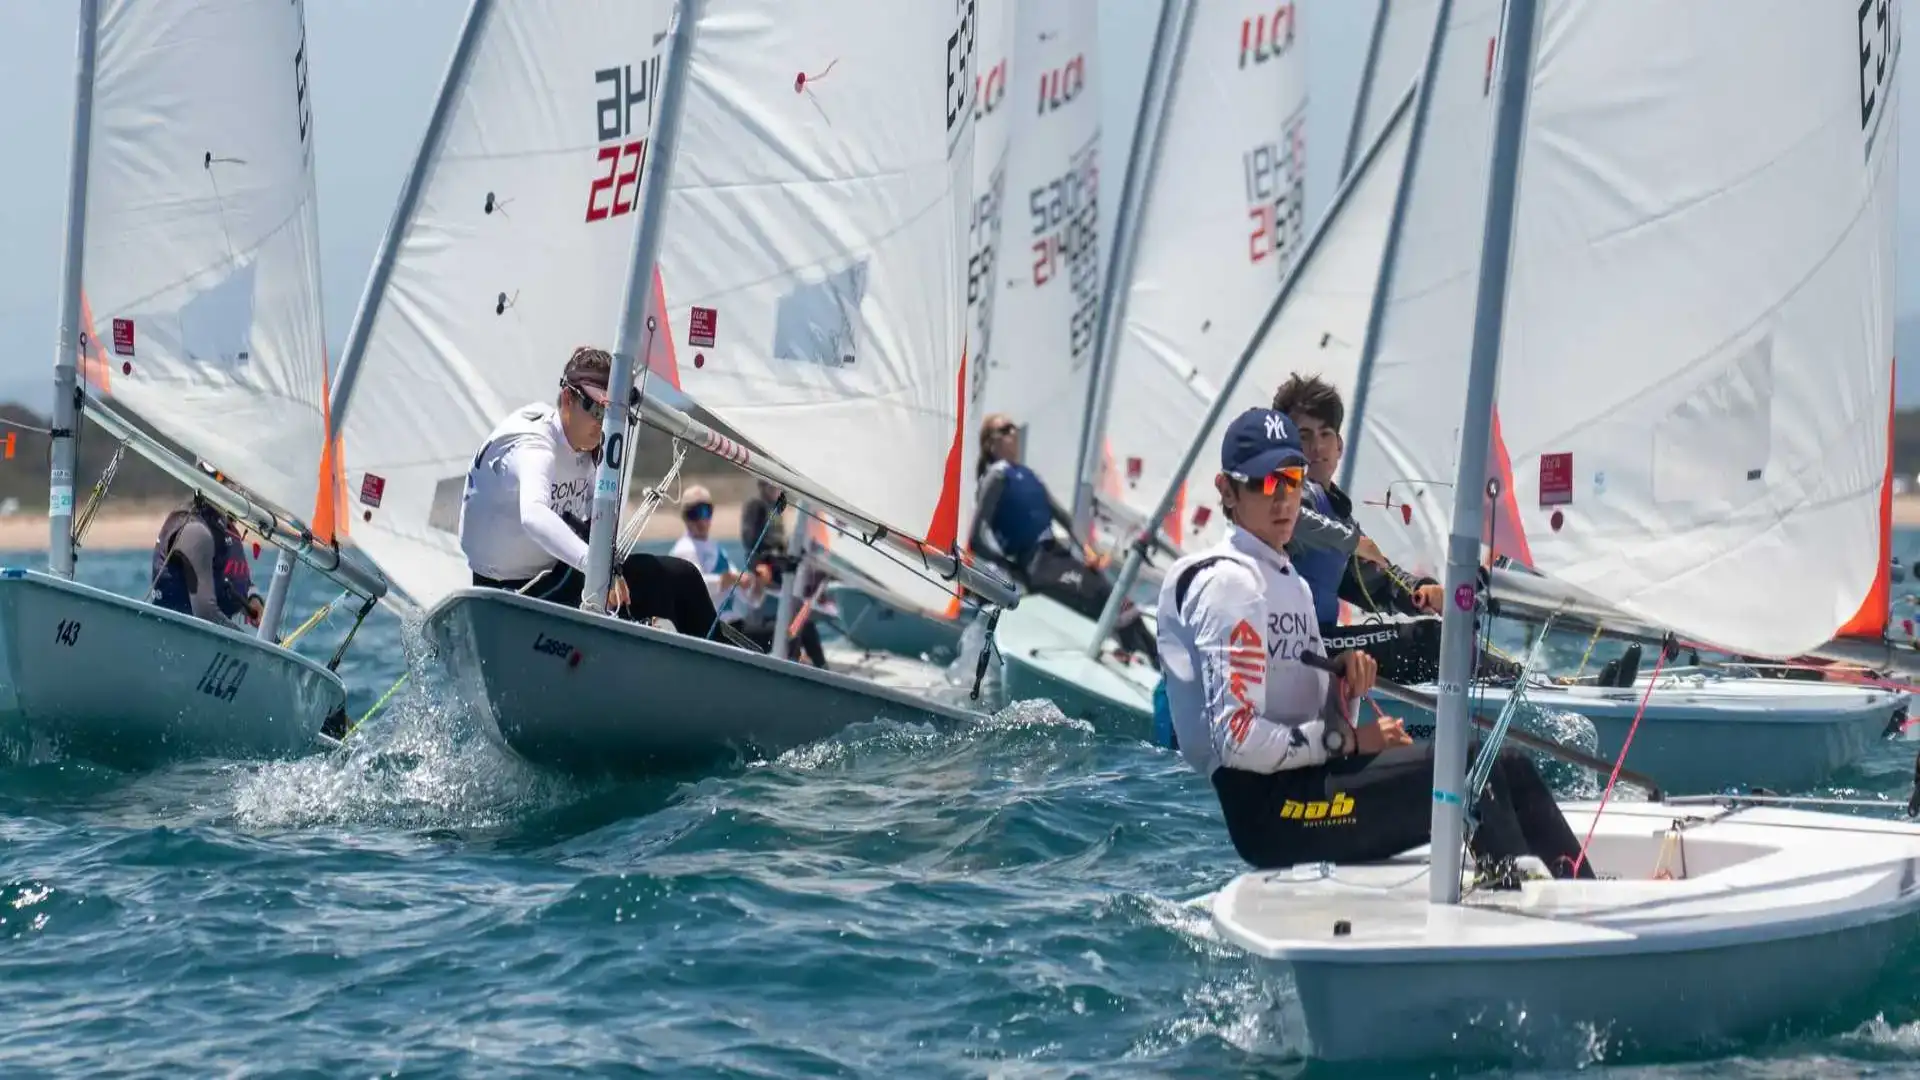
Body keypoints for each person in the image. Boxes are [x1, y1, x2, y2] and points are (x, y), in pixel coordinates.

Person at [1156, 406, 1595, 881]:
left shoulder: (1286, 581)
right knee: (1472, 769)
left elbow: (1298, 709)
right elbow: (1237, 738)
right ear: (1228, 490)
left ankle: (1580, 891)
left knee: (1505, 763)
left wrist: (1341, 681)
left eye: (1293, 479)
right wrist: (1347, 739)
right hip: (1270, 814)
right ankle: (1521, 912)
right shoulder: (1230, 585)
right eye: (1265, 483)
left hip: (1306, 788)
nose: (1283, 498)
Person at [1274, 373, 1522, 685]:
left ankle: (1519, 681)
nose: (1316, 446)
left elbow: (1378, 582)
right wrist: (1352, 540)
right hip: (1293, 647)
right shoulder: (1285, 495)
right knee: (1430, 641)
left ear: (1339, 446)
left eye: (1325, 434)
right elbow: (1293, 519)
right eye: (1304, 435)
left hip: (1319, 643)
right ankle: (1516, 683)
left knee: (1439, 638)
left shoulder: (1336, 511)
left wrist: (1422, 591)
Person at [459, 345, 722, 636]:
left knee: (683, 579)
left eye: (611, 413)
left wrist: (607, 569)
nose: (603, 423)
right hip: (507, 595)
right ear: (568, 398)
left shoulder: (592, 450)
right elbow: (533, 514)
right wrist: (597, 569)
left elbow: (595, 524)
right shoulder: (533, 444)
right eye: (597, 409)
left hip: (560, 581)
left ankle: (728, 672)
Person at [971, 412, 1159, 667]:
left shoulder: (1029, 475)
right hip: (1039, 566)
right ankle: (1133, 662)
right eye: (1005, 430)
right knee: (1103, 602)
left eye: (1014, 428)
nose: (1013, 433)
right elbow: (975, 539)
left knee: (1122, 603)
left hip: (1061, 558)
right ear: (989, 443)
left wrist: (1087, 550)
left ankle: (1158, 668)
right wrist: (1014, 570)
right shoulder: (996, 476)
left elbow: (1063, 518)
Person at [150, 492, 264, 630]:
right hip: (177, 639)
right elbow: (205, 613)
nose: (244, 491)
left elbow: (232, 581)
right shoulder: (195, 532)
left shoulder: (224, 529)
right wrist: (250, 649)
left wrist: (253, 597)